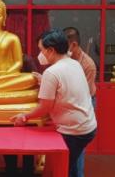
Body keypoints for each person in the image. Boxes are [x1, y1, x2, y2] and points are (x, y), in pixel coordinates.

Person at [11, 28, 97, 177]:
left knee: (63, 168)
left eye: (41, 50)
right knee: (68, 164)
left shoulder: (52, 72)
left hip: (74, 131)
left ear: (51, 50)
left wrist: (25, 116)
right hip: (88, 126)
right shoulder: (73, 63)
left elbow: (45, 106)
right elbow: (65, 88)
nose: (40, 55)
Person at [63, 27, 97, 107]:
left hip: (85, 101)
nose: (62, 49)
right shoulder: (63, 58)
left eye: (64, 46)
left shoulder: (88, 65)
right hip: (67, 100)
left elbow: (84, 93)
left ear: (74, 44)